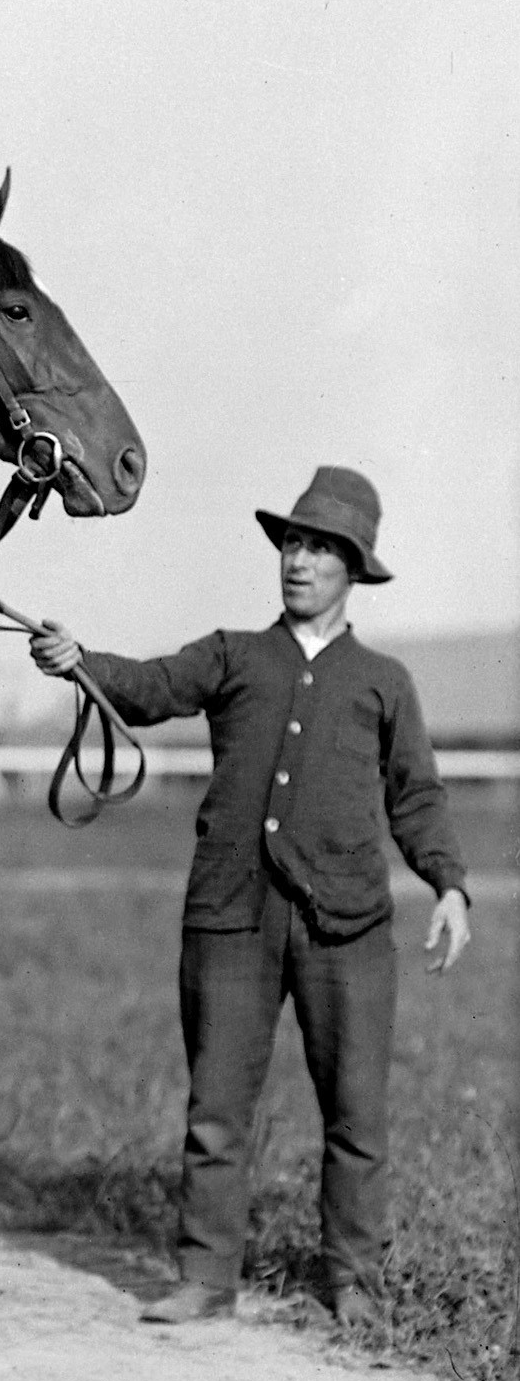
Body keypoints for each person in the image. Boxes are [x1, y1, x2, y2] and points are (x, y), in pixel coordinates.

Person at [30, 466, 472, 1327]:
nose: (299, 562)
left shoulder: (385, 682)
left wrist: (450, 885)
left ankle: (354, 1285)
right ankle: (205, 1277)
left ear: (354, 569)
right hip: (229, 916)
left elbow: (416, 796)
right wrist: (82, 663)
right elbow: (152, 686)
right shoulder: (234, 653)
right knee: (217, 1110)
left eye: (321, 549)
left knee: (356, 1117)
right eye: (292, 544)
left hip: (348, 927)